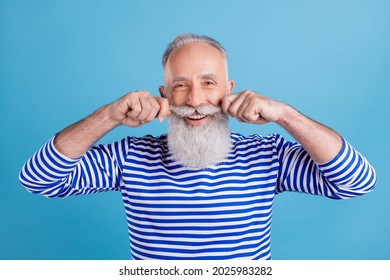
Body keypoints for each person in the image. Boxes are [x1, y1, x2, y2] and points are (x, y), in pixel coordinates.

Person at [19, 33, 376, 260]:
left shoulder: (268, 155)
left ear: (229, 89)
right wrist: (109, 116)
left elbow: (357, 183)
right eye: (180, 85)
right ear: (164, 94)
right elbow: (39, 180)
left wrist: (285, 115)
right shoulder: (129, 157)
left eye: (208, 83)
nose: (195, 100)